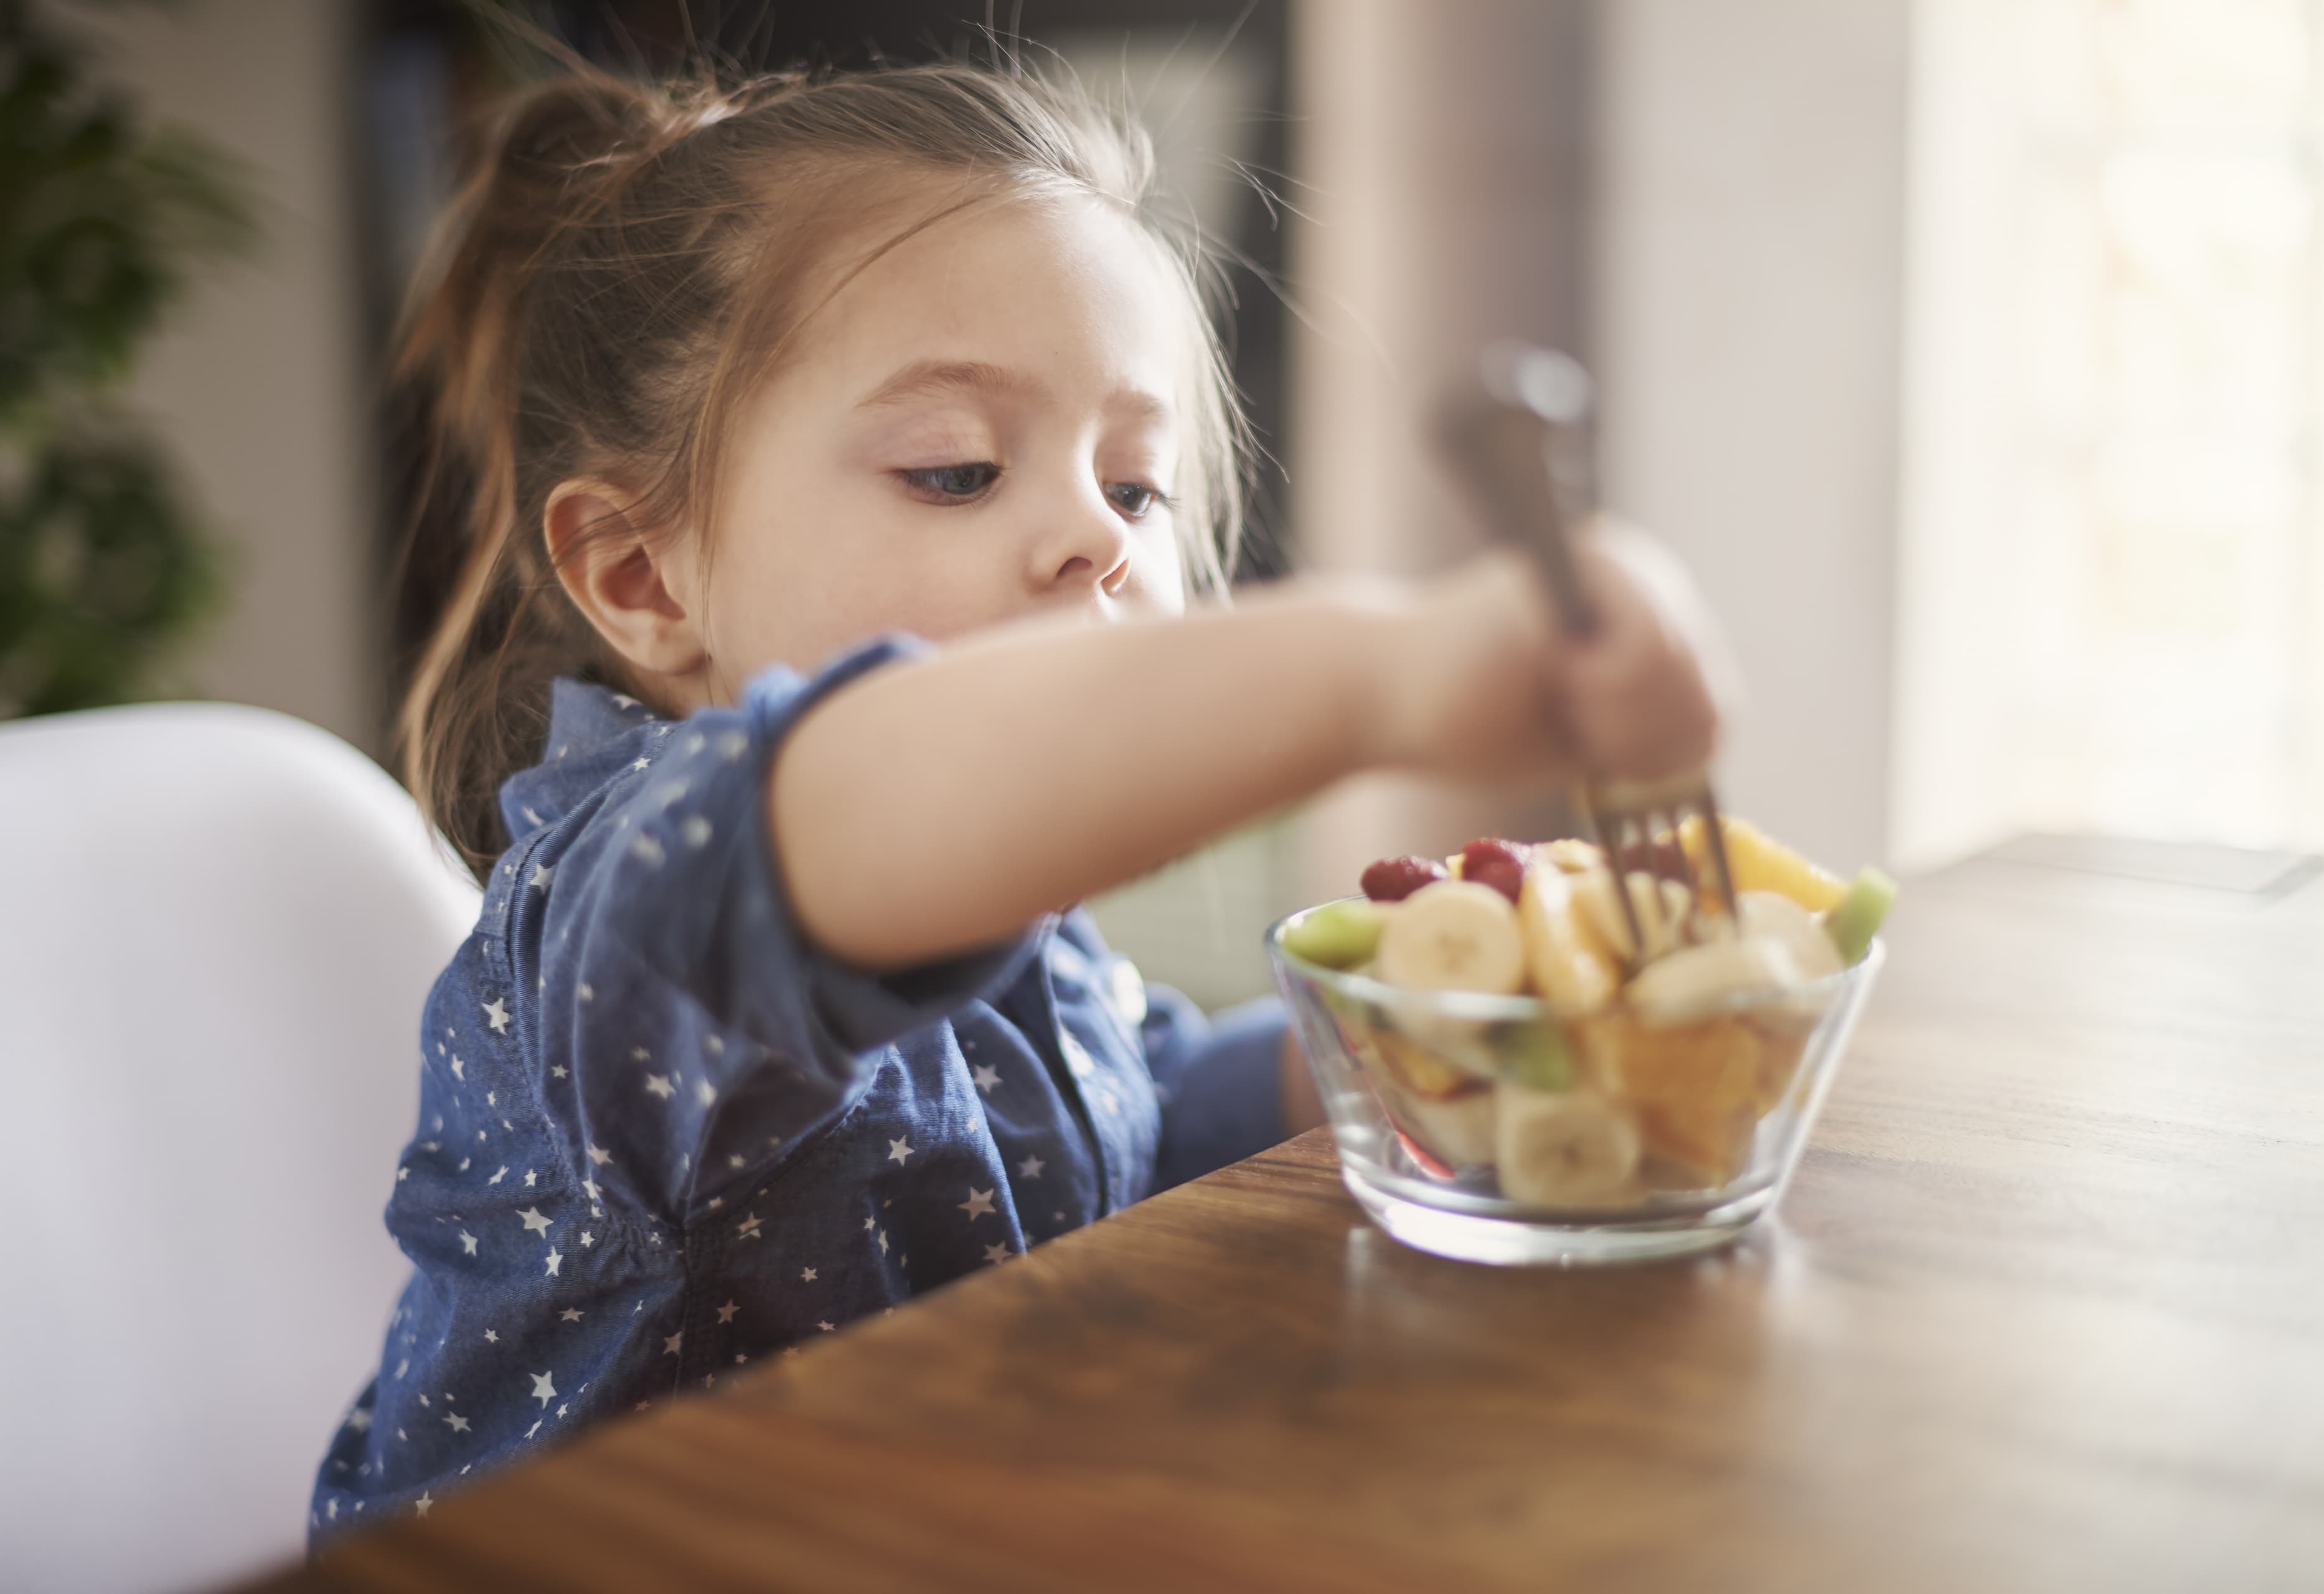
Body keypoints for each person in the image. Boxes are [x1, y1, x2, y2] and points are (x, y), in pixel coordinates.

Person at [311, 56, 1732, 1537]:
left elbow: (1119, 1118)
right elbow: (878, 785)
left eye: (1136, 486)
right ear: (640, 574)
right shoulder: (637, 911)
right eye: (956, 469)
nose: (1091, 537)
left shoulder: (1007, 910)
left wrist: (1393, 1045)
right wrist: (1394, 667)